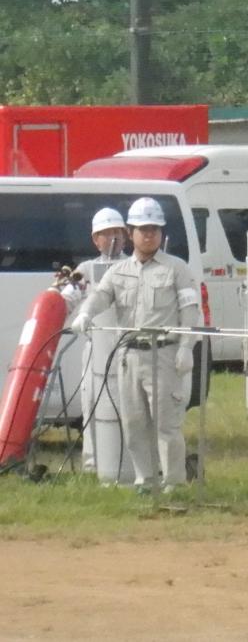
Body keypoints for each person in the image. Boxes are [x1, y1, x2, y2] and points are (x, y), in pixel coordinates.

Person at [71, 197, 200, 493]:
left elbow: (191, 309)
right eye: (143, 229)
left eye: (154, 229)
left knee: (166, 425)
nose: (149, 234)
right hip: (129, 356)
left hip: (164, 354)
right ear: (131, 233)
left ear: (161, 232)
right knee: (133, 423)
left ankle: (173, 483)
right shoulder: (119, 271)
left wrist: (185, 346)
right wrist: (86, 314)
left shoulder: (176, 268)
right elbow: (100, 295)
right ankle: (146, 480)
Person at [62, 207, 134, 484]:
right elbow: (70, 294)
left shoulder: (134, 265)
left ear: (126, 236)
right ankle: (93, 466)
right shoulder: (87, 269)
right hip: (96, 347)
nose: (112, 239)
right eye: (105, 234)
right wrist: (59, 300)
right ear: (95, 239)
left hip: (127, 347)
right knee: (91, 402)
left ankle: (131, 462)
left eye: (117, 232)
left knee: (129, 404)